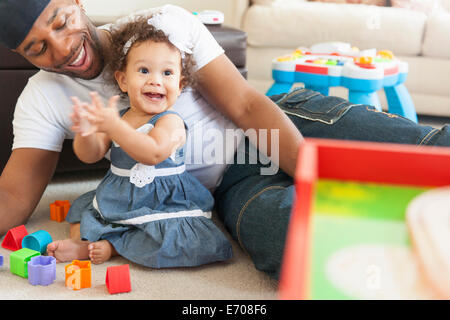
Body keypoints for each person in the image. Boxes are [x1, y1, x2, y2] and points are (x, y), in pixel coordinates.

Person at [0, 0, 449, 279]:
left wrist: (315, 174)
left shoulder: (164, 27)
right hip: (226, 190)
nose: (60, 49)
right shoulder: (44, 97)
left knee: (425, 151)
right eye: (37, 48)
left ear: (76, 2)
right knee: (297, 240)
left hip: (278, 126)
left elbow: (247, 107)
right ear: (21, 55)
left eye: (60, 23)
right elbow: (14, 195)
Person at [46, 15, 233, 267]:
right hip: (120, 196)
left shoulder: (170, 122)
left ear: (180, 85)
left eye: (167, 73)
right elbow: (89, 154)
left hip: (162, 202)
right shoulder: (118, 117)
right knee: (82, 211)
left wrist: (114, 126)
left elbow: (152, 153)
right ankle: (85, 243)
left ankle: (114, 246)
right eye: (144, 70)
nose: (155, 80)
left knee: (174, 242)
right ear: (123, 80)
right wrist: (86, 132)